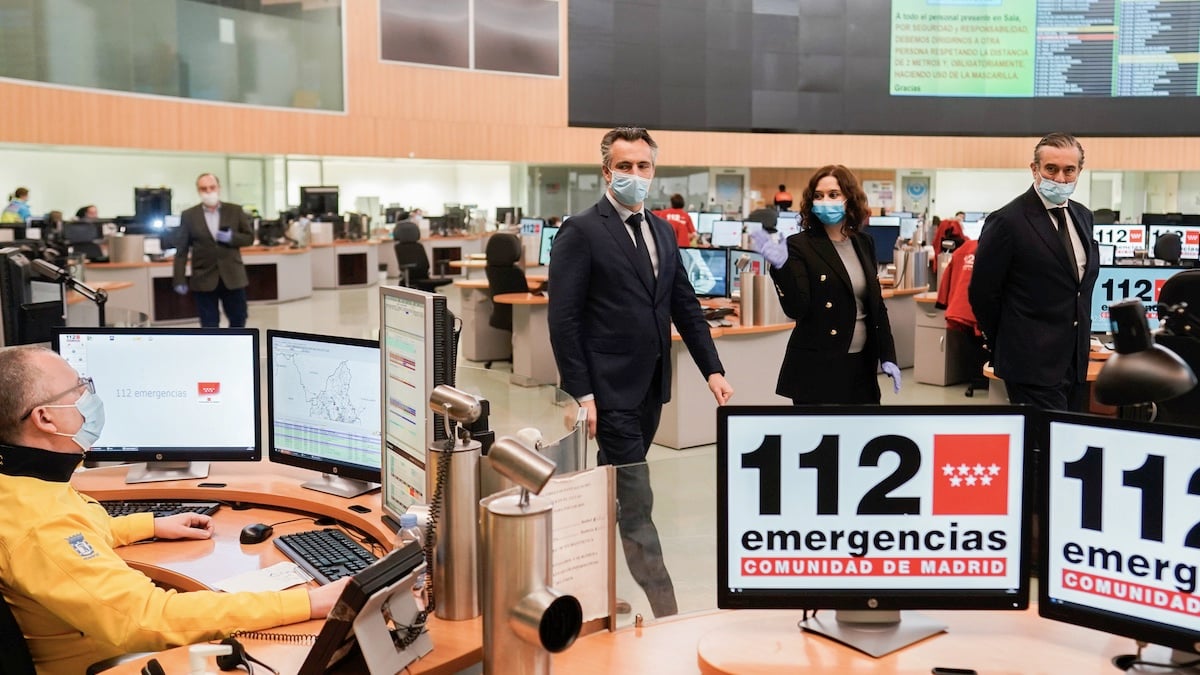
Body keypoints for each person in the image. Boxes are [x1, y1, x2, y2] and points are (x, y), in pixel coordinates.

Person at [0, 345, 349, 675]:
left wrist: (150, 525)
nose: (89, 396)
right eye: (79, 389)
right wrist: (310, 603)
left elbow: (81, 533)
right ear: (45, 418)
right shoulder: (42, 526)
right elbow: (150, 617)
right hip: (109, 664)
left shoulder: (23, 484)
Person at [548, 127, 733, 618]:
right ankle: (668, 613)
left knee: (616, 493)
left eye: (643, 166)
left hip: (651, 388)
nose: (635, 175)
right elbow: (563, 320)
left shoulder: (663, 231)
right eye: (625, 166)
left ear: (653, 171)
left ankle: (578, 580)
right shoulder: (581, 230)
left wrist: (711, 370)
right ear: (606, 171)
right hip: (609, 395)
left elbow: (684, 306)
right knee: (637, 505)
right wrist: (582, 394)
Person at [968, 132, 1099, 411]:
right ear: (1035, 169)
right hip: (1030, 362)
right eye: (1051, 169)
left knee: (1068, 443)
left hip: (1075, 361)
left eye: (1069, 170)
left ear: (1079, 171)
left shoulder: (1084, 216)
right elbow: (983, 293)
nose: (1060, 179)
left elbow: (1078, 287)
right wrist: (1006, 342)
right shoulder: (1007, 221)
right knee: (1044, 445)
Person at [751, 165, 901, 404]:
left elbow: (876, 307)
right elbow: (797, 309)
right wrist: (781, 268)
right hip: (818, 367)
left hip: (862, 366)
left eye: (833, 194)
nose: (825, 201)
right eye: (818, 196)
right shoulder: (800, 245)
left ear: (849, 198)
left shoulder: (864, 242)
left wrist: (888, 355)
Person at [172, 173, 255, 328]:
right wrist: (179, 279)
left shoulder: (235, 211)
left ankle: (235, 351)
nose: (208, 191)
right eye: (204, 188)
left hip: (233, 276)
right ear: (198, 191)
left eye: (212, 187)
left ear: (219, 188)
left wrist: (231, 238)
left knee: (239, 319)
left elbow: (249, 238)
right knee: (209, 324)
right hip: (203, 278)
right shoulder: (189, 215)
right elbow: (181, 251)